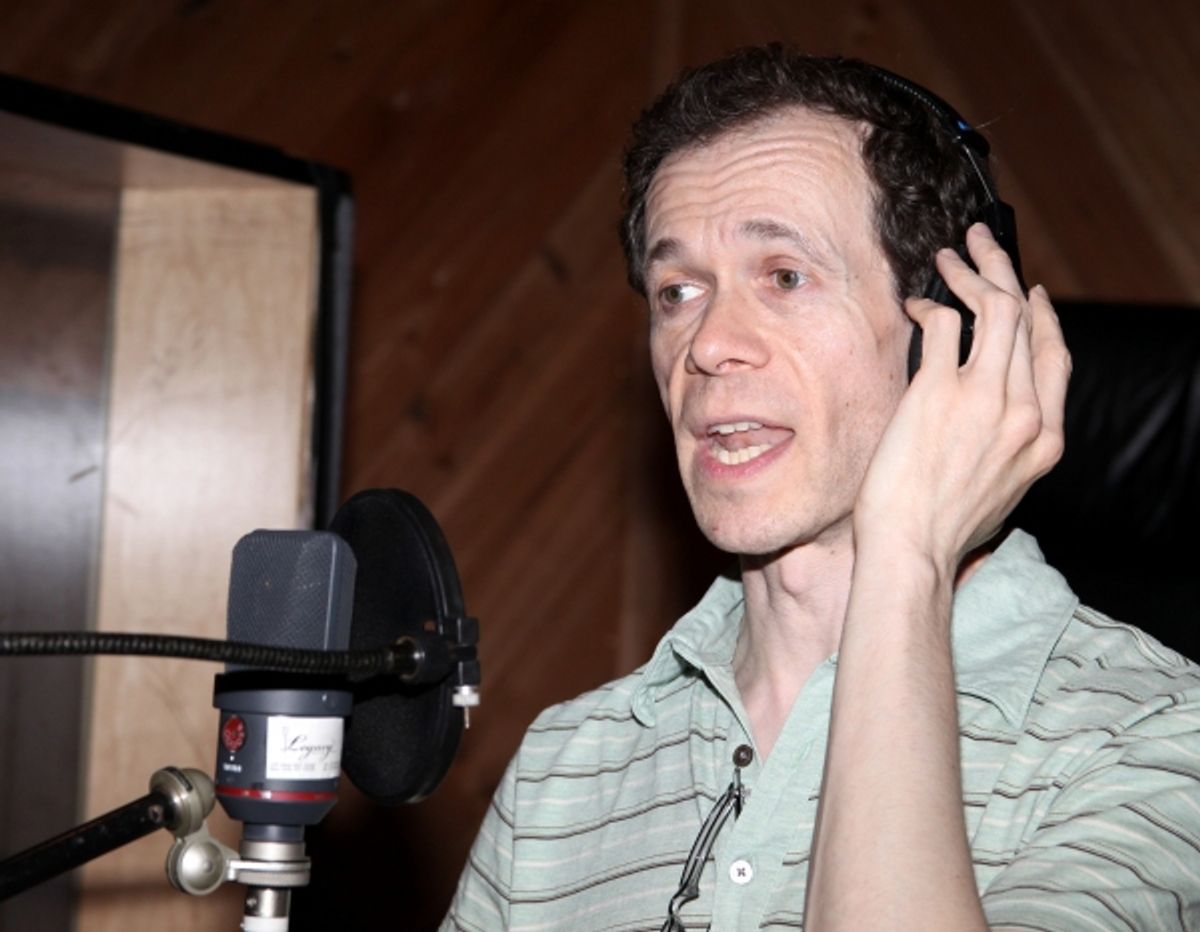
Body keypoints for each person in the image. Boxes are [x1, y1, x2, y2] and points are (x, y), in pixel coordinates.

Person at [442, 46, 1200, 931]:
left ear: (944, 335)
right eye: (678, 289)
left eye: (785, 276)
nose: (710, 343)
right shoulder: (562, 771)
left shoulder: (1151, 737)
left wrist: (907, 552)